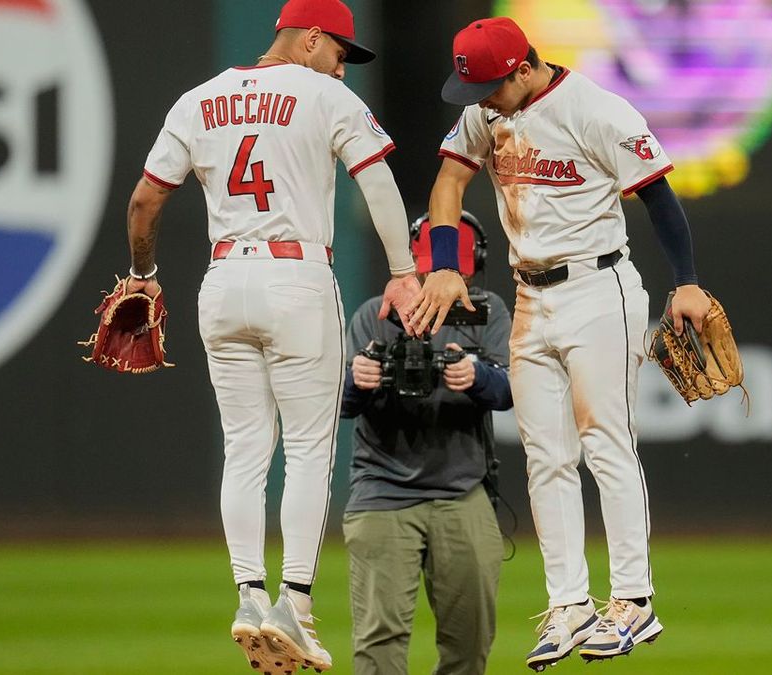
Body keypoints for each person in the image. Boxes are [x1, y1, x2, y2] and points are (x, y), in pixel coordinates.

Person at [119, 1, 464, 671]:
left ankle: (248, 595)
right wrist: (403, 272)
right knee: (307, 448)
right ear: (309, 39)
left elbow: (144, 200)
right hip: (297, 275)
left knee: (245, 447)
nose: (342, 66)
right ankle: (294, 606)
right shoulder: (325, 96)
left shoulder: (198, 100)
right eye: (339, 51)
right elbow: (378, 181)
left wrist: (143, 277)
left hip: (223, 280)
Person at [426, 16, 714, 671]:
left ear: (525, 68)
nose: (483, 102)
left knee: (606, 442)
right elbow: (448, 182)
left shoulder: (598, 110)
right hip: (531, 296)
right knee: (546, 457)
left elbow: (658, 197)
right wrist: (443, 263)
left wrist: (688, 282)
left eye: (491, 88)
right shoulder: (485, 112)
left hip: (597, 286)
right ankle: (570, 605)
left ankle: (634, 599)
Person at [341, 212, 512, 675]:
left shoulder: (486, 312)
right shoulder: (376, 315)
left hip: (462, 491)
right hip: (383, 490)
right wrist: (358, 380)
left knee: (471, 642)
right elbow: (339, 404)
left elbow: (512, 390)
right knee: (379, 644)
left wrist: (477, 376)